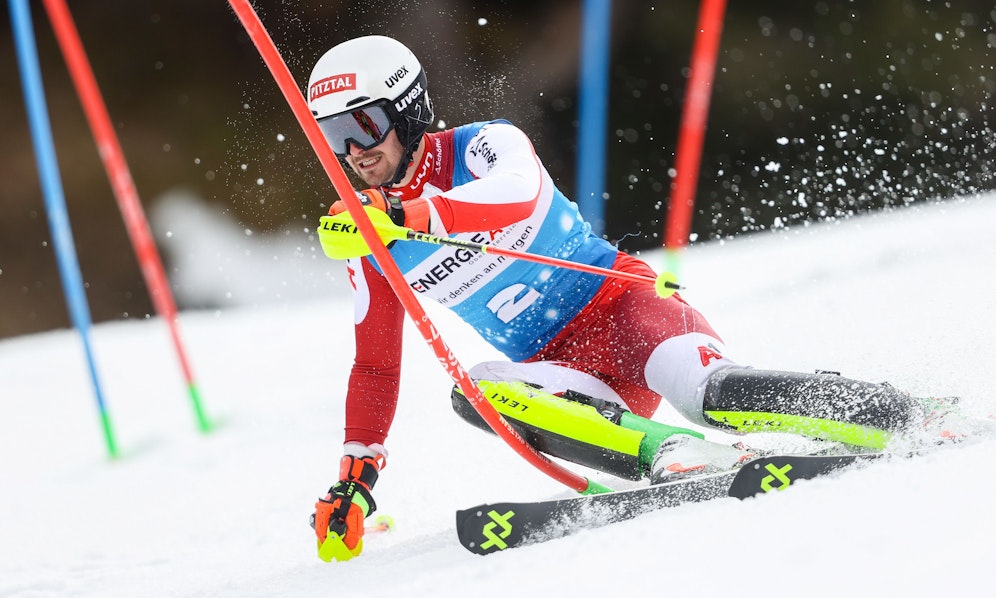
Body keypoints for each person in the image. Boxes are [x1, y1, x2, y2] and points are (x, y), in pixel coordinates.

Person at [305, 35, 961, 561]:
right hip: (565, 373)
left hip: (627, 310)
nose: (355, 152)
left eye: (364, 127)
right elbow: (376, 366)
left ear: (409, 110)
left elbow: (520, 192)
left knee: (715, 397)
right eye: (335, 138)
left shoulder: (482, 147)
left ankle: (895, 410)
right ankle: (670, 454)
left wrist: (416, 212)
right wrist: (355, 478)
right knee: (477, 390)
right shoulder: (369, 243)